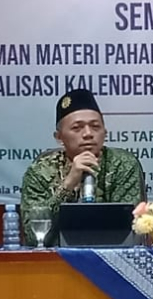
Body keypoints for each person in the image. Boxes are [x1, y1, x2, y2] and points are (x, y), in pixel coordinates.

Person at [20, 87, 146, 245]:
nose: (88, 134)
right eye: (77, 128)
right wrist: (68, 185)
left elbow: (130, 229)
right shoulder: (39, 172)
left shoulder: (122, 164)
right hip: (55, 257)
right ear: (59, 137)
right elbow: (33, 237)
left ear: (105, 133)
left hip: (112, 255)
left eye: (95, 126)